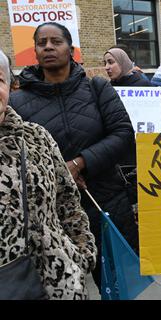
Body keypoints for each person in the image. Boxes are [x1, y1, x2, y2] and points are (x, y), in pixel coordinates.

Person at [8, 22, 138, 291]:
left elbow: (123, 133)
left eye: (56, 41)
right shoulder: (17, 102)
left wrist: (80, 163)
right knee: (60, 287)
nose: (48, 47)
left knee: (116, 285)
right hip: (51, 218)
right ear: (34, 51)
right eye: (41, 42)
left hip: (106, 203)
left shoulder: (97, 88)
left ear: (71, 50)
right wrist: (58, 173)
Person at [0, 49, 96, 299]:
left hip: (58, 286)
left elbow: (68, 201)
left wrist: (81, 254)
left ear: (10, 87)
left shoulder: (37, 137)